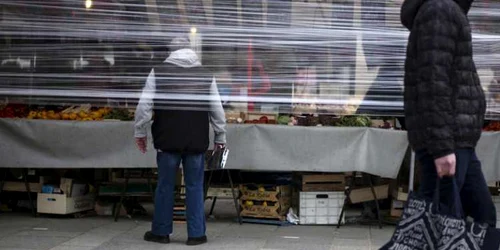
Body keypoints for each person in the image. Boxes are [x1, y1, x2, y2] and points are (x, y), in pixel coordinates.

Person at [401, 0, 496, 226]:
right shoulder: (440, 10)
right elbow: (433, 82)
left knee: (483, 218)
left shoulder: (445, 9)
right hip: (448, 141)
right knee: (435, 226)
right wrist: (442, 148)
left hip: (458, 140)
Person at [134, 37, 227, 245]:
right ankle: (196, 235)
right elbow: (216, 109)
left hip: (167, 140)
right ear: (191, 50)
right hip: (196, 141)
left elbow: (144, 107)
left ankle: (161, 232)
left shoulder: (158, 72)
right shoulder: (205, 75)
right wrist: (220, 136)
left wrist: (140, 132)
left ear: (171, 51)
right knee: (195, 186)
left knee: (165, 186)